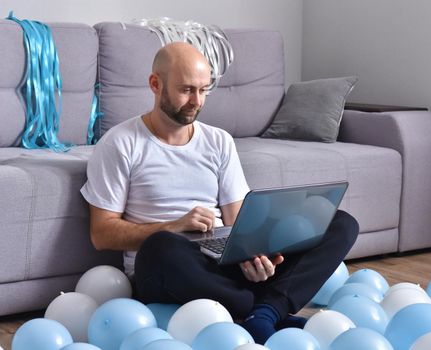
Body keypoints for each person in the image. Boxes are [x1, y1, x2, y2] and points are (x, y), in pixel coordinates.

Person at [80, 42, 359, 344]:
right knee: (162, 247)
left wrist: (253, 255)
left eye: (203, 90)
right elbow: (102, 233)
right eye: (186, 90)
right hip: (170, 267)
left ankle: (263, 312)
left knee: (339, 223)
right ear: (155, 84)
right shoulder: (120, 143)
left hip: (223, 265)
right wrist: (172, 227)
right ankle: (270, 308)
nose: (196, 101)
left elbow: (239, 221)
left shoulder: (218, 141)